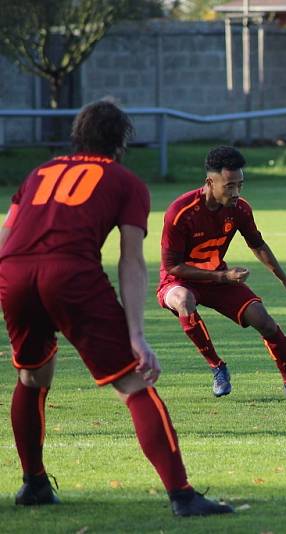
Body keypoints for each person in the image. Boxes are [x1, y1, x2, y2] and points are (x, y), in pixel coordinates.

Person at [0, 100, 232, 516]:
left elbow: (7, 231)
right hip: (69, 273)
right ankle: (182, 495)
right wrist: (137, 335)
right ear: (121, 142)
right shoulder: (125, 182)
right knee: (133, 384)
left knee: (32, 375)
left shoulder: (40, 172)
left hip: (13, 272)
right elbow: (130, 258)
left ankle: (33, 483)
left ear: (77, 135)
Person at [157, 145, 286, 399]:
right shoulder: (180, 213)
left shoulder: (240, 209)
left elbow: (258, 245)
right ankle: (217, 367)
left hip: (218, 278)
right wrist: (223, 276)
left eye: (240, 185)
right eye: (230, 186)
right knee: (183, 300)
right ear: (210, 182)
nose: (236, 192)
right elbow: (172, 267)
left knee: (263, 320)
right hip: (179, 280)